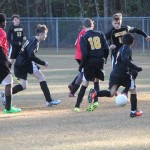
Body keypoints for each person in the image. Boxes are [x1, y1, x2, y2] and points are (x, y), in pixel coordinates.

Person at [1, 24, 61, 107]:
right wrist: (43, 63)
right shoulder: (35, 42)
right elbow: (30, 56)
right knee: (41, 77)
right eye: (45, 34)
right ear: (41, 34)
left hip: (19, 64)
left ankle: (5, 93)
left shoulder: (32, 39)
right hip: (26, 63)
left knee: (23, 85)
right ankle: (49, 100)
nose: (46, 36)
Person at [88, 33, 143, 118]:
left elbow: (125, 60)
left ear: (122, 41)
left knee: (111, 93)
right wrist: (136, 68)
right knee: (133, 90)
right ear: (133, 42)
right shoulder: (128, 49)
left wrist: (132, 66)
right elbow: (125, 59)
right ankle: (133, 111)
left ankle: (95, 93)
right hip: (124, 74)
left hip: (115, 74)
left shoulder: (121, 48)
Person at [105, 13, 150, 95]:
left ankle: (125, 91)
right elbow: (103, 40)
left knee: (134, 73)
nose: (117, 25)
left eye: (118, 23)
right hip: (116, 57)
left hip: (126, 55)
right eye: (115, 23)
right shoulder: (111, 32)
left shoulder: (126, 28)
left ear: (121, 21)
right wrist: (109, 46)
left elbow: (136, 30)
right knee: (118, 74)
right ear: (112, 23)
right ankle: (113, 90)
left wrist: (146, 36)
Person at [74, 18, 109, 112]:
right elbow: (107, 49)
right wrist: (105, 59)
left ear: (84, 27)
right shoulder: (100, 34)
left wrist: (81, 65)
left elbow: (84, 54)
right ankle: (96, 102)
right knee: (96, 81)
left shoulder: (84, 37)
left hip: (90, 62)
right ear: (92, 25)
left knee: (85, 83)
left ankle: (77, 106)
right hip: (100, 61)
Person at [0, 13, 21, 113]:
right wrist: (6, 60)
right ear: (3, 22)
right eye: (5, 21)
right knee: (9, 80)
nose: (6, 23)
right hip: (1, 60)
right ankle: (8, 108)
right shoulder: (2, 32)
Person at [68, 28, 86, 97]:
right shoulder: (85, 31)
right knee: (82, 74)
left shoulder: (82, 31)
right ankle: (72, 92)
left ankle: (72, 85)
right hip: (83, 56)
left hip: (78, 55)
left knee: (82, 72)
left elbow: (76, 44)